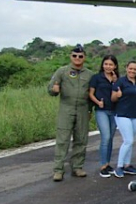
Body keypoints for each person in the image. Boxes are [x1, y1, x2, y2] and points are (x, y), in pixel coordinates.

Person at [48, 44, 94, 181]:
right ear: (70, 56)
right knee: (62, 139)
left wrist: (90, 110)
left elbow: (92, 93)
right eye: (75, 56)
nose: (77, 58)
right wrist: (54, 90)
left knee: (81, 139)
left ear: (84, 57)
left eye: (80, 56)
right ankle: (58, 169)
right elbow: (51, 88)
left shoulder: (90, 74)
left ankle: (77, 167)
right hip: (66, 108)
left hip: (83, 109)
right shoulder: (62, 71)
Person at [111, 61, 136, 178]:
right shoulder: (121, 81)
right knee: (128, 140)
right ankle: (119, 166)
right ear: (126, 68)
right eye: (130, 68)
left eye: (135, 69)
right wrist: (117, 95)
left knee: (130, 141)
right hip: (123, 114)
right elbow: (113, 98)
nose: (132, 71)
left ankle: (127, 165)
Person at [89, 54, 118, 177]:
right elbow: (91, 93)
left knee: (111, 138)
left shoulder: (117, 78)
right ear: (102, 65)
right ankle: (103, 165)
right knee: (105, 137)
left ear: (115, 66)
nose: (108, 66)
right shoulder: (96, 78)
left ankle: (108, 163)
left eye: (110, 64)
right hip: (101, 110)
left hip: (114, 111)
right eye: (106, 64)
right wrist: (97, 102)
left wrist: (115, 82)